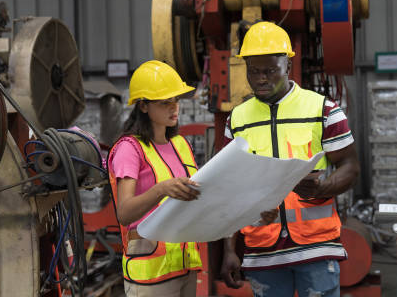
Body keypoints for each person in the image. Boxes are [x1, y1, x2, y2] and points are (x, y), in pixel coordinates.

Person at [220, 21, 360, 297]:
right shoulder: (236, 120)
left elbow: (350, 166)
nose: (261, 79)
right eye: (254, 71)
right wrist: (228, 250)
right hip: (263, 253)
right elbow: (229, 189)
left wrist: (323, 188)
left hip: (316, 247)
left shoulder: (322, 110)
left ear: (288, 66)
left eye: (271, 71)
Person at [107, 60, 203, 296]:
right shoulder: (130, 149)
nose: (174, 108)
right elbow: (125, 212)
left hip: (184, 266)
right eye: (165, 102)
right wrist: (161, 189)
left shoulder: (180, 145)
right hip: (150, 275)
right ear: (143, 106)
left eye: (176, 100)